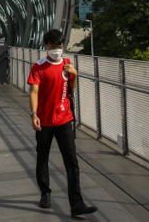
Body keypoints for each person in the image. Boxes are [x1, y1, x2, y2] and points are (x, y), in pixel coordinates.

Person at [28, 28, 98, 217]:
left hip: (64, 119)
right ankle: (45, 193)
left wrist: (74, 74)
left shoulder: (67, 63)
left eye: (59, 46)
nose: (57, 49)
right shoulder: (39, 67)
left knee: (72, 161)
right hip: (44, 121)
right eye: (52, 46)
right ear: (45, 46)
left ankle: (76, 203)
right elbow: (34, 91)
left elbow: (70, 90)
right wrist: (34, 114)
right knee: (42, 157)